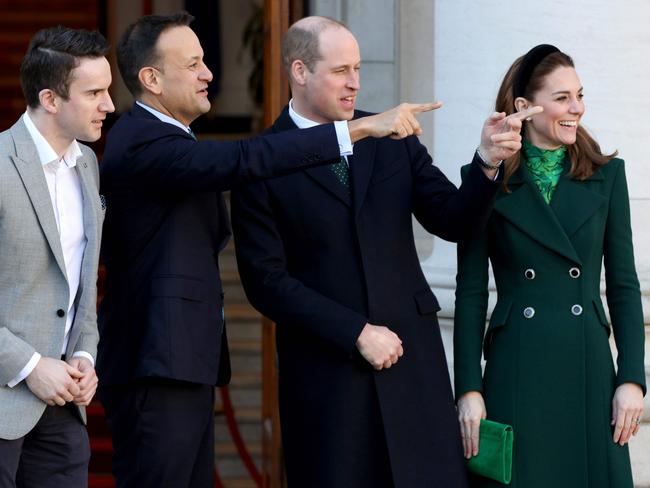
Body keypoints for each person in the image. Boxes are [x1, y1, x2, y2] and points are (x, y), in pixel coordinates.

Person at [96, 12, 435, 488]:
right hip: (156, 364)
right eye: (193, 64)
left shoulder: (172, 140)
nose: (208, 74)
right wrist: (357, 130)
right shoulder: (140, 140)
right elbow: (245, 159)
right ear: (151, 79)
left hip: (182, 362)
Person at [231, 16, 539, 488]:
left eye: (357, 67)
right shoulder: (262, 159)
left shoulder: (392, 138)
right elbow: (265, 282)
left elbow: (453, 219)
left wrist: (487, 160)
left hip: (413, 368)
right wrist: (355, 330)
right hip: (328, 378)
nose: (355, 82)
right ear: (299, 71)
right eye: (340, 70)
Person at [454, 44, 646, 487]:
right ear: (524, 107)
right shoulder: (485, 178)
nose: (576, 108)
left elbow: (622, 286)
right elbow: (470, 291)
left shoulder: (608, 176)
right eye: (562, 98)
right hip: (515, 368)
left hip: (589, 370)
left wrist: (632, 378)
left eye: (579, 95)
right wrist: (468, 388)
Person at [0, 27, 113, 487]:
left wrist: (85, 354)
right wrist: (30, 366)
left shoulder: (88, 165)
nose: (109, 105)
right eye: (94, 93)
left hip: (64, 407)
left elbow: (81, 281)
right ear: (49, 98)